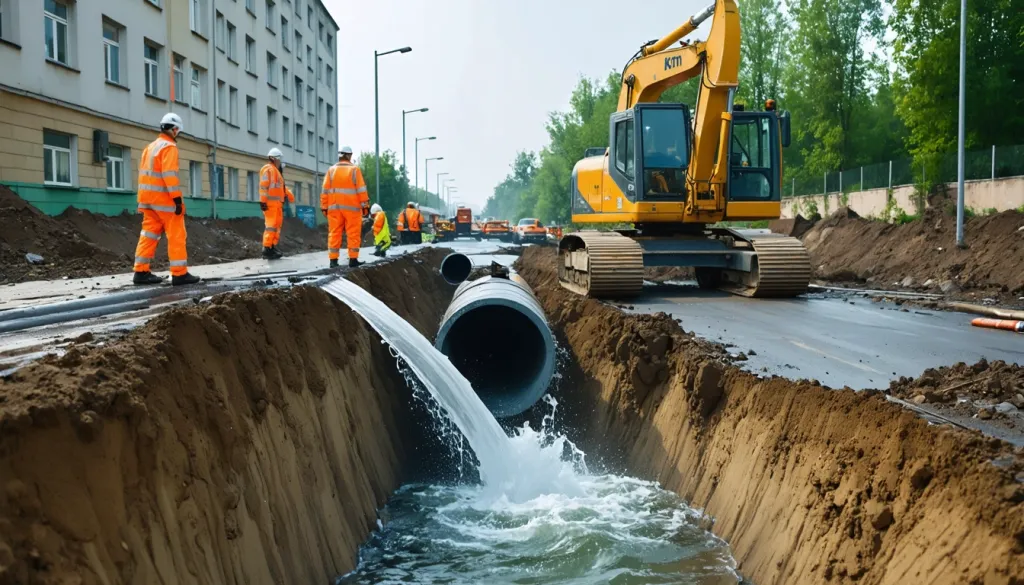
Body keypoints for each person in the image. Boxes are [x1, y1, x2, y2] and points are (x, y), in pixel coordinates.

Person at [133, 113, 200, 286]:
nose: (178, 134)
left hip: (147, 200)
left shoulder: (150, 147)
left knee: (148, 235)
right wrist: (177, 200)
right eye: (178, 131)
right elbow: (169, 176)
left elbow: (144, 175)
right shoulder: (169, 147)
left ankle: (140, 272)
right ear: (174, 129)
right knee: (177, 235)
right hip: (164, 201)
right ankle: (179, 274)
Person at [321, 146, 369, 268]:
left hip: (334, 208)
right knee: (353, 233)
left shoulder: (331, 170)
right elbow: (361, 190)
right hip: (352, 209)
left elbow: (325, 190)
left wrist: (324, 206)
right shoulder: (354, 170)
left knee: (334, 233)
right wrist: (365, 205)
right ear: (348, 156)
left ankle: (333, 261)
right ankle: (353, 260)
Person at [259, 148, 295, 260]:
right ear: (274, 158)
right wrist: (263, 201)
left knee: (276, 227)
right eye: (279, 159)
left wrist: (290, 196)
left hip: (277, 205)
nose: (280, 161)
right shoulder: (268, 170)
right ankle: (267, 249)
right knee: (271, 226)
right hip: (271, 204)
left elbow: (281, 188)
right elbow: (263, 186)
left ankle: (272, 246)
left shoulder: (276, 171)